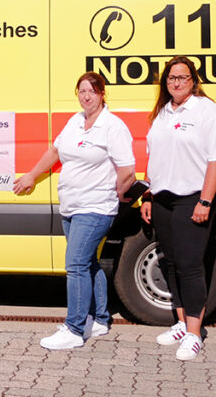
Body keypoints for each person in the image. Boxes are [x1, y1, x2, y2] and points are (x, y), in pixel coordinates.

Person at [14, 72, 135, 350]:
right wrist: (32, 175)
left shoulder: (112, 126)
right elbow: (55, 152)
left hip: (95, 208)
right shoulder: (75, 121)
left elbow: (127, 170)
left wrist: (114, 194)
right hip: (71, 207)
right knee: (89, 263)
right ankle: (100, 319)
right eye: (81, 91)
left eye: (92, 90)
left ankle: (74, 329)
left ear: (102, 93)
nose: (86, 96)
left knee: (76, 265)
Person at [140, 56, 216, 361]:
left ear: (193, 80)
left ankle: (194, 333)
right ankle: (180, 322)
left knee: (191, 266)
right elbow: (153, 158)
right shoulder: (162, 113)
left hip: (192, 197)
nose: (176, 82)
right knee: (172, 263)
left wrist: (205, 201)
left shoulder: (207, 111)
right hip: (163, 198)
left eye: (182, 77)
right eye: (171, 78)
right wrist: (148, 196)